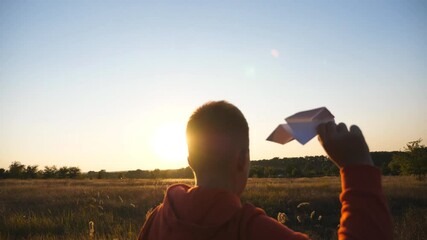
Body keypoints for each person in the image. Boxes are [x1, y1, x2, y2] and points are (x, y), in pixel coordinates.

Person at [138, 100, 393, 240]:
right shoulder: (254, 231)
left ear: (191, 160)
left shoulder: (156, 221)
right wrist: (357, 168)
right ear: (243, 159)